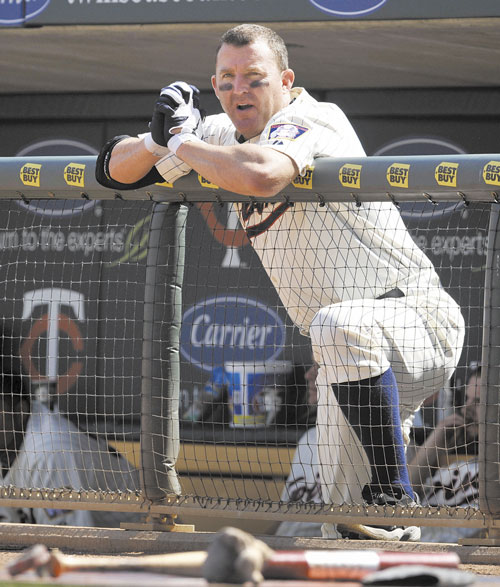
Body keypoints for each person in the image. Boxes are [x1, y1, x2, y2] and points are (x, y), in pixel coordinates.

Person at [95, 23, 465, 542]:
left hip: (414, 319)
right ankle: (390, 525)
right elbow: (115, 171)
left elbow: (262, 174)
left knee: (336, 324)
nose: (238, 89)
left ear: (285, 79)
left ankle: (395, 493)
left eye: (253, 77)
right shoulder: (220, 136)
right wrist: (158, 139)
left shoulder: (311, 116)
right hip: (353, 363)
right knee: (350, 526)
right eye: (226, 79)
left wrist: (182, 140)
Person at [0, 348, 140, 527]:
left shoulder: (49, 454)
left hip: (138, 536)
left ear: (20, 412)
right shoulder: (10, 438)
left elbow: (70, 542)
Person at [408, 365, 480, 543]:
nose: (466, 409)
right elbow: (404, 492)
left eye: (479, 402)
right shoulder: (446, 454)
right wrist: (436, 439)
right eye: (467, 398)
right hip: (416, 543)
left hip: (459, 552)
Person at [274, 361, 326, 537]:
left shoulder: (373, 443)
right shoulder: (309, 438)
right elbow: (285, 519)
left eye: (320, 366)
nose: (308, 374)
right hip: (287, 547)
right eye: (312, 365)